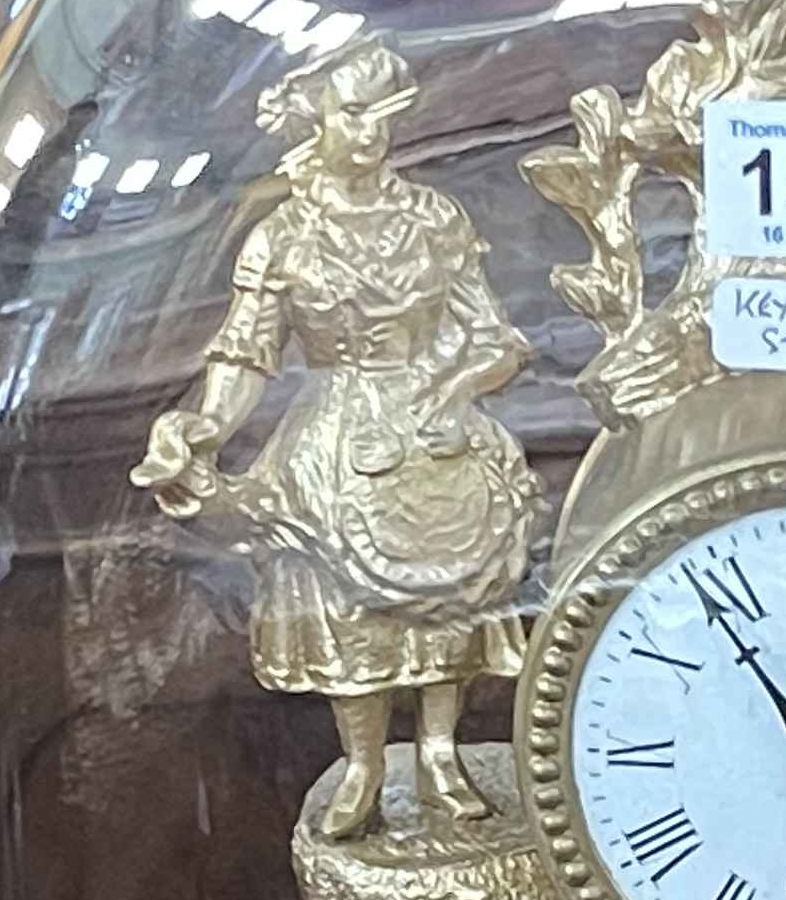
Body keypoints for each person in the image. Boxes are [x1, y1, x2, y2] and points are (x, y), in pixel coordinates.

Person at [134, 41, 539, 838]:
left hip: (437, 428)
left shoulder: (433, 218)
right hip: (336, 437)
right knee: (351, 607)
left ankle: (439, 752)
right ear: (317, 115)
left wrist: (451, 390)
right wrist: (205, 425)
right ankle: (361, 765)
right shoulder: (281, 237)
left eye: (384, 117)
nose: (369, 134)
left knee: (452, 601)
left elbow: (497, 337)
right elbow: (246, 351)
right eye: (352, 114)